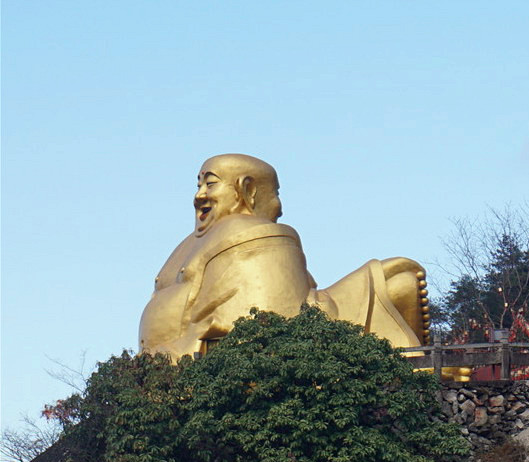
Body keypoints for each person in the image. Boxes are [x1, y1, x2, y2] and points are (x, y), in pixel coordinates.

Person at [139, 154, 429, 360]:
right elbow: (268, 325)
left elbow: (271, 313)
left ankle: (416, 366)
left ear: (246, 189)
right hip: (180, 360)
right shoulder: (209, 239)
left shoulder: (256, 234)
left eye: (209, 184)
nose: (199, 195)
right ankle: (415, 365)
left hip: (181, 360)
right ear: (249, 189)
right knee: (399, 276)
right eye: (201, 184)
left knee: (398, 279)